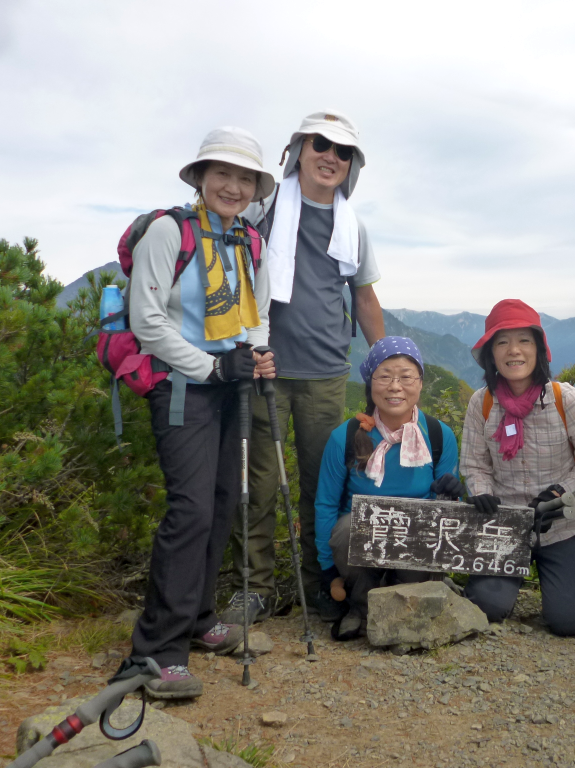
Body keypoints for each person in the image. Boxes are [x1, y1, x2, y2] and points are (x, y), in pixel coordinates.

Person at [126, 127, 277, 699]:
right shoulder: (168, 231)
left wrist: (257, 354)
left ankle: (197, 617)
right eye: (223, 174)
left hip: (229, 383)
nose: (233, 186)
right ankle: (157, 650)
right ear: (201, 177)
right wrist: (211, 368)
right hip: (182, 386)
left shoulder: (249, 241)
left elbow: (256, 310)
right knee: (189, 510)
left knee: (220, 503)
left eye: (245, 178)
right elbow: (147, 319)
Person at [224, 110, 386, 626]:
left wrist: (383, 369)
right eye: (322, 144)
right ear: (299, 148)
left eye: (343, 152)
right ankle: (255, 587)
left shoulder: (352, 226)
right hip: (260, 366)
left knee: (324, 483)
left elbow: (364, 297)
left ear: (351, 166)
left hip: (325, 371)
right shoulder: (263, 207)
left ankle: (321, 584)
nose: (330, 157)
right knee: (259, 483)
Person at [460, 300, 575, 636]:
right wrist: (481, 492)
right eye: (502, 342)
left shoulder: (565, 400)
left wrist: (559, 493)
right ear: (490, 354)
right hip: (505, 524)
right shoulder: (482, 403)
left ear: (540, 349)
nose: (514, 351)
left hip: (561, 524)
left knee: (572, 623)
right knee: (486, 607)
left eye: (524, 340)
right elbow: (474, 464)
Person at [314, 337, 462, 639]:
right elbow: (326, 504)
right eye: (384, 376)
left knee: (424, 537)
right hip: (358, 544)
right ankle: (361, 605)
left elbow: (445, 508)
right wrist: (329, 570)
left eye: (406, 377)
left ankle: (394, 603)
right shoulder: (345, 436)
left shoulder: (437, 435)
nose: (395, 386)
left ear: (420, 384)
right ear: (370, 383)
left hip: (414, 538)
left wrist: (452, 494)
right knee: (345, 530)